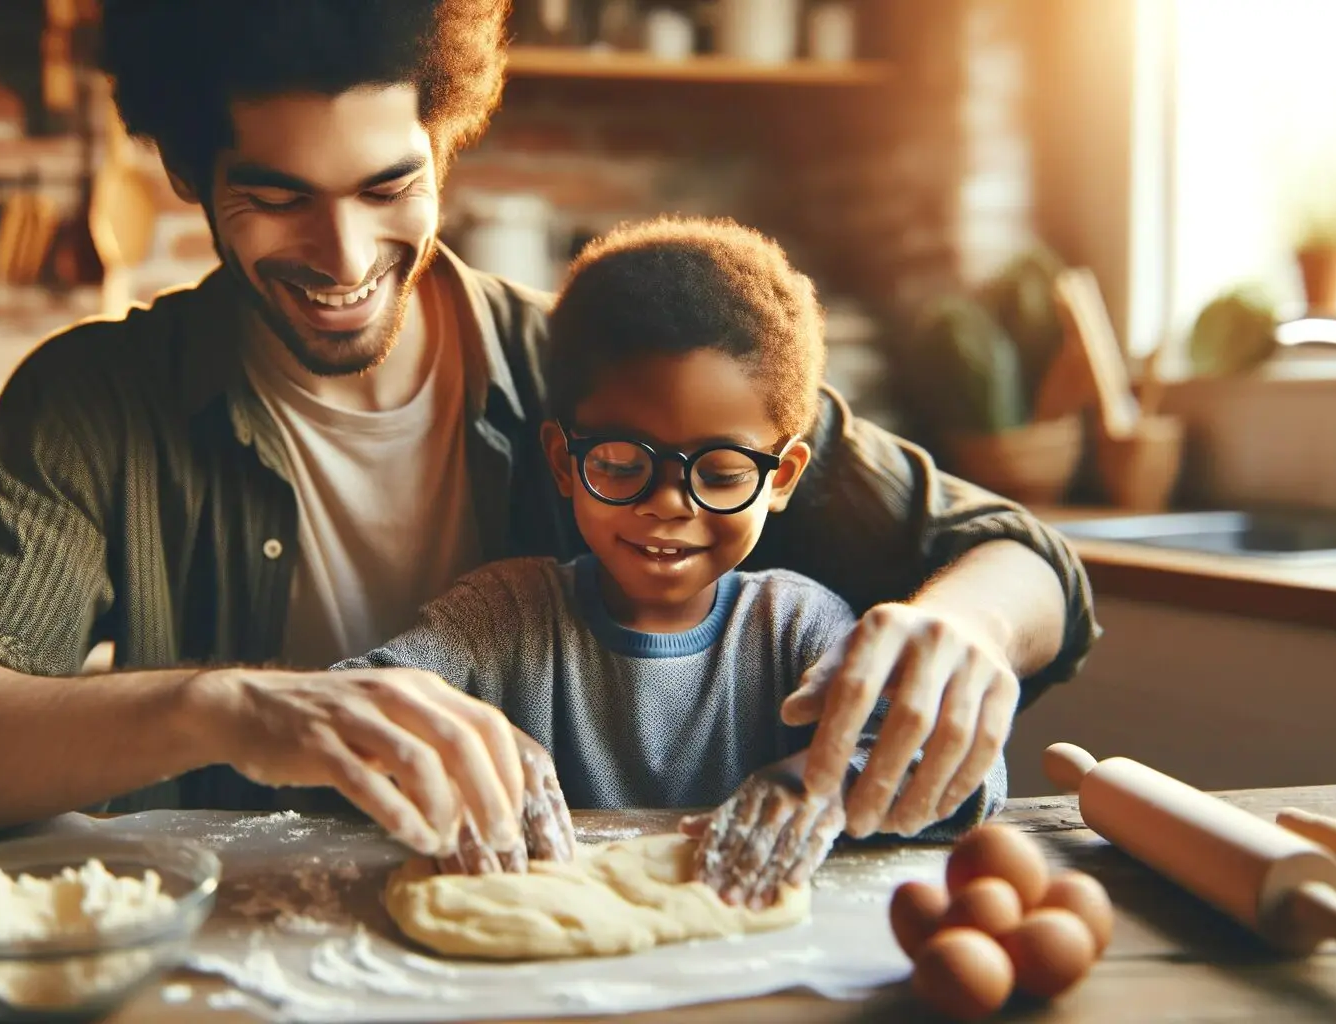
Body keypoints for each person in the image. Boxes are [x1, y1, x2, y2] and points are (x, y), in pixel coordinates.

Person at [0, 0, 1099, 875]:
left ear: (447, 136)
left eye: (390, 188)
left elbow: (1016, 555)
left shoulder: (601, 367)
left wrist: (968, 630)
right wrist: (232, 710)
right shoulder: (96, 400)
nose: (341, 258)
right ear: (185, 171)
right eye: (274, 197)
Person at [333, 216, 1010, 908]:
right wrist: (465, 742)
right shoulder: (502, 615)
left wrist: (816, 781)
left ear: (781, 479)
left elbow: (959, 769)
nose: (668, 504)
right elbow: (347, 709)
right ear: (565, 462)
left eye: (719, 472)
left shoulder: (796, 629)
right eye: (623, 464)